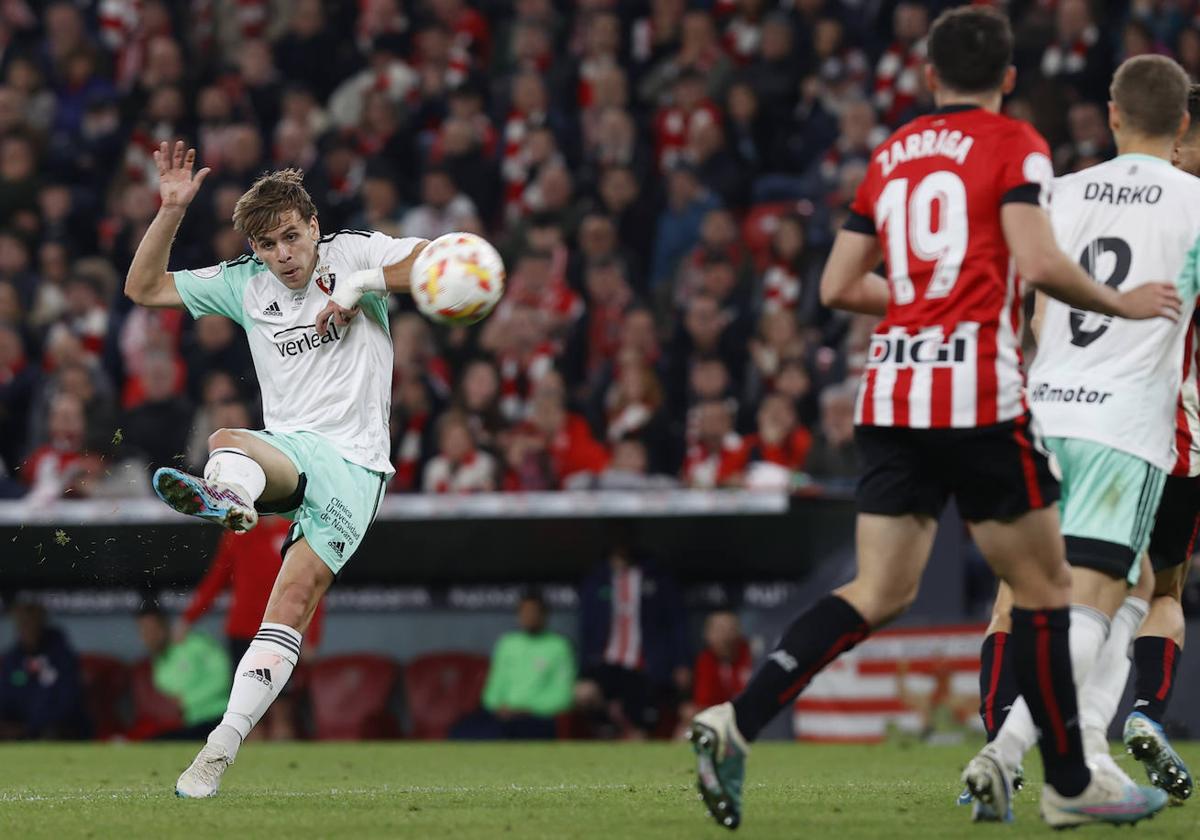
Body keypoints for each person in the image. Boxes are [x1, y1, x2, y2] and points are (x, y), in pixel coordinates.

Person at [687, 8, 1178, 831]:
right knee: (1048, 588)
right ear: (1009, 78)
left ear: (926, 76)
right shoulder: (1014, 143)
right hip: (978, 399)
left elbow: (839, 286)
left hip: (891, 392)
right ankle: (1067, 783)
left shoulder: (891, 154)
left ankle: (736, 719)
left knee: (877, 590)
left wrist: (920, 301)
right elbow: (1037, 260)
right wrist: (1119, 302)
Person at [123, 140, 430, 797]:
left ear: (313, 226)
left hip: (358, 468)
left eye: (291, 238)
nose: (283, 255)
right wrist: (171, 209)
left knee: (289, 603)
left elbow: (432, 261)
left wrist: (358, 286)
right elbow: (143, 288)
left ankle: (217, 748)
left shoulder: (350, 252)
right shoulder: (245, 284)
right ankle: (233, 500)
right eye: (268, 245)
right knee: (228, 434)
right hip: (291, 452)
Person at [970, 54, 1200, 812]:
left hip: (1040, 413)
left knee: (1076, 591)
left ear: (1111, 114)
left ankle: (1085, 754)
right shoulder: (1195, 203)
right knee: (1102, 599)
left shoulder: (1059, 193)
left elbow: (1027, 303)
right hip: (1122, 424)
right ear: (1183, 125)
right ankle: (1020, 759)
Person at [1121, 83, 1200, 803]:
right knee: (1162, 588)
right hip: (1181, 435)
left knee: (1047, 591)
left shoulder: (1097, 195)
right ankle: (1144, 710)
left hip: (1092, 423)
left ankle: (1013, 741)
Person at [178, 518, 325, 741]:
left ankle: (287, 771)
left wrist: (312, 636)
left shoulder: (295, 530)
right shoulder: (237, 533)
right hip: (242, 633)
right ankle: (253, 774)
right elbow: (216, 580)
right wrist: (189, 618)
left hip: (281, 632)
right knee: (246, 713)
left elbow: (311, 585)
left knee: (281, 711)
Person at [453, 593, 575, 739]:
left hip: (537, 717)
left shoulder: (559, 646)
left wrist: (526, 709)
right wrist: (499, 707)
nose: (529, 616)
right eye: (524, 612)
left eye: (534, 612)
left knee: (503, 733)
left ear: (544, 615)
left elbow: (563, 697)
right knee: (461, 731)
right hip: (503, 715)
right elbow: (492, 690)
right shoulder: (507, 644)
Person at [136, 604, 231, 740]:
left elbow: (223, 678)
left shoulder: (194, 644)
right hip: (192, 724)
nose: (149, 636)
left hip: (221, 716)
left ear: (164, 627)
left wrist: (186, 702)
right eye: (143, 631)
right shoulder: (158, 665)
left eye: (152, 629)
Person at [0, 600, 86, 740]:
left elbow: (69, 703)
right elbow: (5, 697)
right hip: (19, 726)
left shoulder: (62, 656)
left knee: (52, 734)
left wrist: (30, 727)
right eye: (22, 623)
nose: (27, 626)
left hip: (55, 727)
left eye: (31, 621)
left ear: (41, 621)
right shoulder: (12, 660)